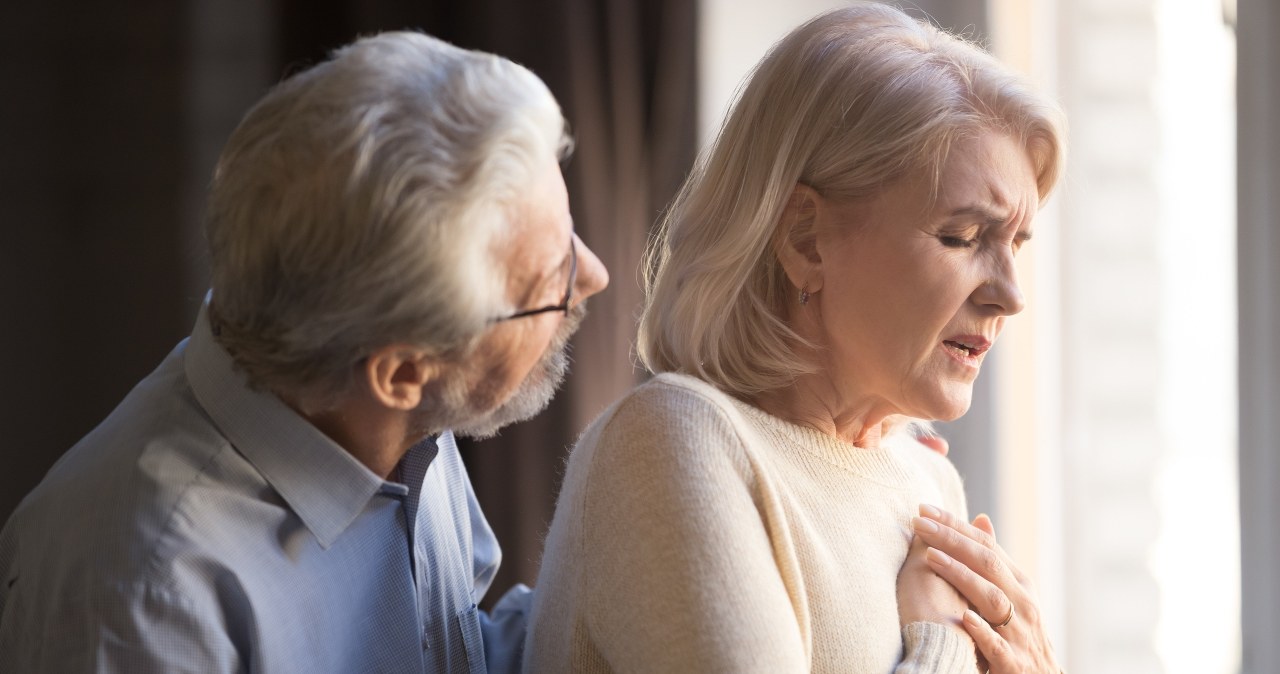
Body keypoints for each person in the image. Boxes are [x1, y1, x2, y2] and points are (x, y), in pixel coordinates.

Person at [0, 31, 608, 673]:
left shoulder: (387, 416)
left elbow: (448, 655)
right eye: (551, 280)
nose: (593, 274)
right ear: (401, 372)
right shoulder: (149, 602)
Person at [524, 4, 1064, 673]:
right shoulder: (673, 443)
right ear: (805, 237)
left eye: (1016, 243)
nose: (1009, 294)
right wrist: (945, 647)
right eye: (960, 237)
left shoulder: (929, 482)